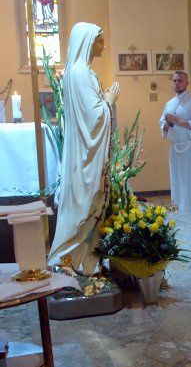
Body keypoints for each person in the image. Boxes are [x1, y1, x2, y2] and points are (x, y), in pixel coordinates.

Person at [48, 22, 120, 274]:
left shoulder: (81, 72)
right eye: (100, 40)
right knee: (83, 206)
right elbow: (93, 117)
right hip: (84, 155)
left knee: (87, 207)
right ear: (89, 42)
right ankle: (70, 260)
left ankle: (86, 261)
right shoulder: (79, 73)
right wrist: (108, 102)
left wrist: (104, 102)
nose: (104, 45)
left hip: (84, 152)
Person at [160, 71, 191, 213]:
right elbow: (163, 124)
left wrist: (177, 121)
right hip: (174, 148)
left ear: (187, 83)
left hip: (188, 147)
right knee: (176, 179)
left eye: (180, 81)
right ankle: (178, 209)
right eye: (174, 81)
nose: (177, 83)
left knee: (189, 180)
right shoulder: (169, 103)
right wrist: (166, 124)